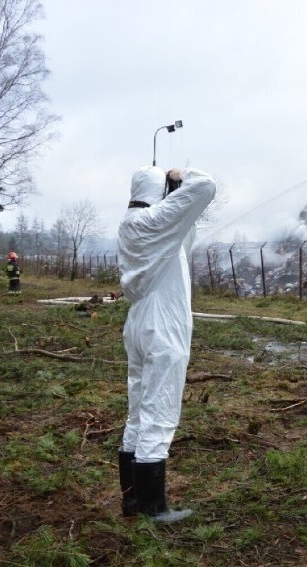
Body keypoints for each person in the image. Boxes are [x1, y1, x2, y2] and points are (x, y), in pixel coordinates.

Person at [116, 165, 216, 523]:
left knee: (139, 410)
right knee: (159, 411)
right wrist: (181, 174)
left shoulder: (131, 224)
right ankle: (153, 508)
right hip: (163, 325)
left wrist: (170, 194)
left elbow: (182, 237)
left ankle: (131, 500)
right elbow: (205, 185)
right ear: (159, 191)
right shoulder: (153, 222)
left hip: (140, 320)